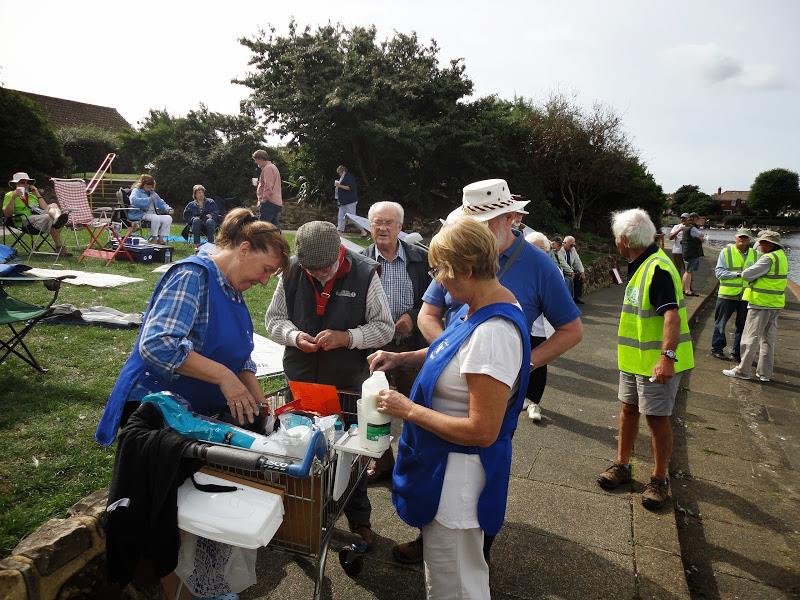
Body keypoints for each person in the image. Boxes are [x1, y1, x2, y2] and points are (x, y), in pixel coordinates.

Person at [403, 179, 583, 565]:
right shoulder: (459, 253)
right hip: (455, 374)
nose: (474, 234)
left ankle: (474, 553)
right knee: (438, 479)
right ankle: (432, 540)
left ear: (509, 220)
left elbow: (572, 329)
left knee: (476, 483)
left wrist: (522, 364)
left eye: (482, 225)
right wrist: (445, 356)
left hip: (490, 383)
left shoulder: (537, 266)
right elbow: (429, 314)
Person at [368, 216, 531, 600]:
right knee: (445, 575)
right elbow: (454, 354)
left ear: (468, 269)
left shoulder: (493, 334)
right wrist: (401, 358)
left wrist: (407, 410)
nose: (438, 280)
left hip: (457, 483)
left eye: (441, 270)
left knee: (455, 583)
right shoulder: (481, 306)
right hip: (444, 471)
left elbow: (481, 429)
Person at [96, 208, 290, 445]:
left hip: (192, 412)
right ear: (244, 249)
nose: (264, 281)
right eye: (266, 269)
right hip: (155, 412)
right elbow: (158, 344)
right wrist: (223, 376)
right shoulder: (192, 276)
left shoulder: (233, 291)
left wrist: (258, 399)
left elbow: (239, 356)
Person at [265, 220, 394, 547]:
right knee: (298, 450)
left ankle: (359, 518)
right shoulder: (292, 271)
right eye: (313, 271)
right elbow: (273, 320)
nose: (320, 275)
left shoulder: (365, 273)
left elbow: (384, 328)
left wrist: (347, 337)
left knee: (351, 453)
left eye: (326, 268)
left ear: (339, 252)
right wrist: (293, 336)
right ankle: (304, 515)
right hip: (302, 384)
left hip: (347, 384)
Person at [597, 208, 694, 510]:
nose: (616, 242)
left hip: (656, 363)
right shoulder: (641, 264)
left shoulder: (657, 268)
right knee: (628, 410)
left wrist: (667, 357)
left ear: (624, 240)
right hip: (635, 360)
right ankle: (622, 465)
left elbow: (672, 316)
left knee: (657, 419)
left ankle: (659, 480)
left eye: (616, 238)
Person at [360, 201, 432, 482]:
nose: (382, 228)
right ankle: (383, 462)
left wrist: (413, 316)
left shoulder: (420, 258)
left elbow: (434, 298)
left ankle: (418, 462)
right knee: (373, 405)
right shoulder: (362, 260)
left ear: (400, 227)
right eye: (377, 222)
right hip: (374, 347)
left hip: (411, 345)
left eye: (389, 223)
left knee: (417, 404)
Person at [723, 230, 788, 382]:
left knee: (750, 338)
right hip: (775, 303)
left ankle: (742, 371)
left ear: (772, 244)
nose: (760, 245)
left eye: (763, 242)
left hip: (761, 303)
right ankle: (765, 374)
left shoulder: (768, 258)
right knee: (767, 340)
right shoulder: (781, 257)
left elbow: (747, 274)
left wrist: (744, 272)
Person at [523, 231, 557, 422]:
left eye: (541, 250)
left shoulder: (553, 271)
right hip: (518, 326)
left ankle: (534, 402)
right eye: (532, 249)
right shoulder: (516, 269)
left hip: (540, 329)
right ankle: (515, 399)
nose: (537, 254)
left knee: (537, 365)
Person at [711, 228, 757, 361]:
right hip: (727, 294)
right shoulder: (726, 252)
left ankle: (737, 353)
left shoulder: (755, 254)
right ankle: (717, 349)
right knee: (720, 324)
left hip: (746, 295)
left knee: (742, 326)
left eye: (745, 237)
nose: (742, 240)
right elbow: (719, 273)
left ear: (749, 240)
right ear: (735, 238)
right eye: (740, 237)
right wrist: (738, 274)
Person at [3, 172, 69, 253]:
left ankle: (57, 219)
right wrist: (13, 198)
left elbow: (45, 208)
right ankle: (59, 245)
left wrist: (37, 193)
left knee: (53, 205)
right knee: (48, 217)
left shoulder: (31, 195)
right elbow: (7, 214)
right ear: (16, 184)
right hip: (23, 220)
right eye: (23, 182)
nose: (26, 184)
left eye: (28, 182)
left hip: (38, 218)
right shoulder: (10, 195)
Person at [129, 174, 173, 246]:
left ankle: (161, 239)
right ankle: (154, 239)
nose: (149, 188)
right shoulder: (136, 191)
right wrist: (148, 199)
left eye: (151, 186)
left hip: (153, 214)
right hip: (140, 213)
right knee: (155, 217)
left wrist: (168, 209)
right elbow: (133, 201)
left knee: (168, 218)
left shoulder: (153, 193)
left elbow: (161, 203)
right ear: (142, 184)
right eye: (147, 186)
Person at [252, 149, 283, 228]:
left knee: (263, 228)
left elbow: (268, 186)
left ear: (261, 159)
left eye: (256, 160)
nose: (256, 162)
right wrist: (260, 184)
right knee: (274, 228)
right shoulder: (272, 167)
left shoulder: (268, 168)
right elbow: (270, 184)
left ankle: (261, 241)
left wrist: (263, 200)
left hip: (269, 202)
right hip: (275, 202)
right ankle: (278, 240)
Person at [334, 165, 367, 235]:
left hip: (349, 201)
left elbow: (349, 188)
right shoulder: (343, 178)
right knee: (340, 217)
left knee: (353, 217)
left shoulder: (349, 177)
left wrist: (339, 185)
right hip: (343, 202)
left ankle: (363, 231)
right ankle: (339, 231)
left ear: (343, 171)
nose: (339, 174)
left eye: (339, 173)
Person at [680, 212, 705, 296]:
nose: (699, 221)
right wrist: (702, 238)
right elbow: (701, 236)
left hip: (686, 252)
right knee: (689, 271)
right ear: (694, 219)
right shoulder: (693, 228)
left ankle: (683, 289)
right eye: (698, 219)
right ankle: (687, 290)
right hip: (691, 252)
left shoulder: (686, 227)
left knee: (687, 271)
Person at [563, 235, 586, 304]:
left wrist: (582, 272)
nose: (572, 247)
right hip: (563, 270)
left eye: (573, 245)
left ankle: (577, 297)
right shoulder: (560, 249)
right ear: (565, 243)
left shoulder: (573, 249)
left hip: (570, 270)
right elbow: (562, 262)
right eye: (571, 245)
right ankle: (568, 299)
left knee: (579, 276)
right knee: (568, 279)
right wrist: (570, 271)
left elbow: (577, 261)